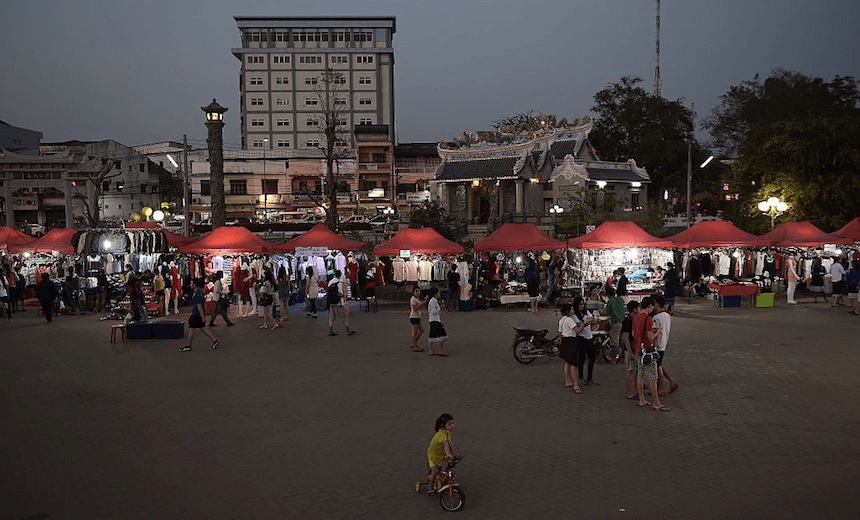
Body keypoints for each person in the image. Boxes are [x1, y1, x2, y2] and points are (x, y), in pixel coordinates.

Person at [634, 296, 670, 411]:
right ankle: (656, 402)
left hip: (639, 349)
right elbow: (650, 337)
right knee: (652, 377)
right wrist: (658, 332)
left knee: (640, 375)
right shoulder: (648, 318)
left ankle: (641, 399)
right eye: (652, 307)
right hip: (648, 350)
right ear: (649, 306)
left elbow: (634, 334)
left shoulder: (636, 317)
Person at [179, 278, 219, 352]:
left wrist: (203, 316)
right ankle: (215, 340)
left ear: (195, 285)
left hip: (196, 314)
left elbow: (199, 305)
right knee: (203, 328)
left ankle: (188, 345)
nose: (191, 285)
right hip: (198, 313)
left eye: (192, 283)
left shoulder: (197, 293)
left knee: (191, 329)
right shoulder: (200, 292)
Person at [652, 295, 679, 397]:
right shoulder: (667, 316)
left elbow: (655, 331)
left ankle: (660, 387)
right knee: (659, 364)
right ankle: (672, 382)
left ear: (657, 304)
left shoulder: (656, 317)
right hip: (663, 343)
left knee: (657, 367)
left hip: (657, 345)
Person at [426, 413, 456, 496]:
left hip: (441, 454)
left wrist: (453, 454)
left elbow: (450, 444)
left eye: (453, 423)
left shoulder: (448, 432)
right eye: (449, 424)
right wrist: (449, 454)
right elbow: (445, 445)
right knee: (435, 472)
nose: (452, 426)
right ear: (443, 425)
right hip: (434, 455)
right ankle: (430, 487)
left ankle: (441, 479)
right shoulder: (442, 434)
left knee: (447, 468)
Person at [572, 296, 599, 386]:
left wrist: (594, 321)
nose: (582, 306)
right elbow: (580, 325)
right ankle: (580, 377)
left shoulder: (586, 312)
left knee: (592, 358)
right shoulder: (574, 315)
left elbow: (593, 320)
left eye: (583, 304)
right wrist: (587, 322)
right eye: (580, 304)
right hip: (581, 338)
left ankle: (590, 377)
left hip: (589, 337)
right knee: (581, 359)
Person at [557, 303, 581, 393]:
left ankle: (567, 381)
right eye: (571, 310)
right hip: (571, 341)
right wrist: (585, 324)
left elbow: (560, 332)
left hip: (565, 341)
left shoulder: (562, 320)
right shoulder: (570, 320)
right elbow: (578, 330)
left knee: (567, 362)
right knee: (573, 363)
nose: (573, 311)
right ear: (568, 311)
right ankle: (575, 384)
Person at [327, 269, 355, 336]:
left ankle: (330, 330)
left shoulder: (330, 282)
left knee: (331, 317)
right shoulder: (339, 283)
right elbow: (340, 293)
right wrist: (344, 297)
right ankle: (348, 330)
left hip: (331, 302)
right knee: (343, 317)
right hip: (339, 303)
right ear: (340, 275)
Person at [622, 300, 640, 400]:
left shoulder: (635, 319)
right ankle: (629, 392)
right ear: (634, 309)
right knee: (630, 370)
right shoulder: (627, 320)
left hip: (635, 348)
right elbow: (625, 337)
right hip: (630, 349)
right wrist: (629, 351)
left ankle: (636, 390)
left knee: (635, 370)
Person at [605, 287, 625, 364]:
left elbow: (607, 311)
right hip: (623, 322)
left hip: (615, 323)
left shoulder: (610, 301)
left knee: (615, 342)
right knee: (621, 341)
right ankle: (622, 358)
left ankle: (613, 359)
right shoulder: (620, 300)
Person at [426, 287, 448, 356]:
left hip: (435, 320)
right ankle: (439, 350)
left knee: (432, 335)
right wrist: (439, 308)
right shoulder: (432, 301)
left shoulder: (434, 301)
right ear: (435, 294)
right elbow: (433, 312)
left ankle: (432, 350)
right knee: (442, 334)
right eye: (438, 293)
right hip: (434, 320)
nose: (439, 294)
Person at [258, 265, 278, 329]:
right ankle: (265, 324)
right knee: (266, 311)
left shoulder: (266, 282)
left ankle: (274, 323)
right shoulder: (271, 282)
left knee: (267, 312)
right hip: (270, 296)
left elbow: (264, 290)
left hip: (266, 297)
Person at [409, 286, 425, 352]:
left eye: (419, 291)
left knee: (422, 330)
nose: (418, 293)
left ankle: (414, 342)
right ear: (413, 292)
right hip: (414, 317)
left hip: (417, 317)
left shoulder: (417, 299)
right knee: (415, 332)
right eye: (416, 291)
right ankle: (415, 345)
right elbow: (415, 308)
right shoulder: (413, 299)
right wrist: (422, 303)